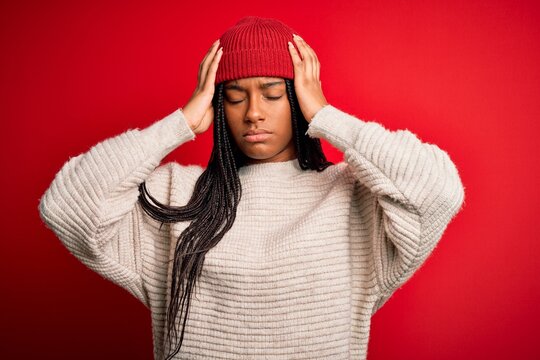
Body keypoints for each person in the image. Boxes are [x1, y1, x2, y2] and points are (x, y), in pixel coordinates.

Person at [38, 15, 466, 360]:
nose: (254, 112)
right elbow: (65, 205)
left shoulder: (352, 197)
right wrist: (179, 124)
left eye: (273, 93)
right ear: (216, 104)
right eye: (235, 96)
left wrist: (326, 115)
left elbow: (439, 189)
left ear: (298, 99)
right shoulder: (177, 194)